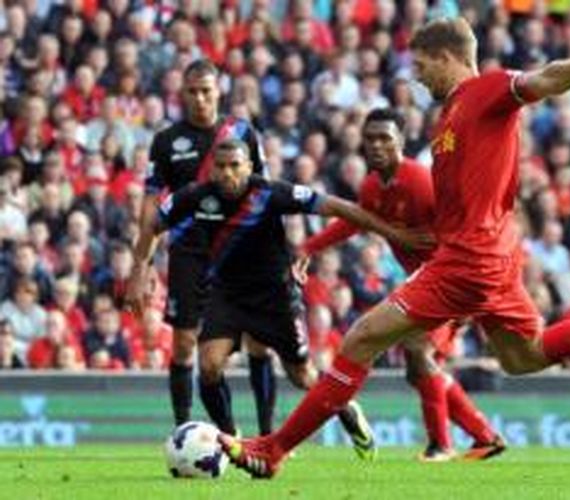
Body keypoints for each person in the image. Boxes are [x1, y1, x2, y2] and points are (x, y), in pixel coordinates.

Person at [219, 17, 570, 478]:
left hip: (470, 257)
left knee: (361, 339)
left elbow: (540, 81)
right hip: (489, 254)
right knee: (524, 357)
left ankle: (274, 449)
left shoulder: (486, 89)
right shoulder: (451, 113)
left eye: (422, 65)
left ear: (448, 56)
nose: (416, 75)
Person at [130, 138, 431, 460]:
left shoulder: (270, 193)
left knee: (303, 377)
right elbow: (152, 225)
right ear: (211, 170)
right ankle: (232, 440)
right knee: (208, 365)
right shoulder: (194, 197)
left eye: (235, 166)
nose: (228, 173)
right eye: (221, 166)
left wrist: (393, 234)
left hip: (275, 297)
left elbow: (338, 207)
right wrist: (138, 272)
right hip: (226, 295)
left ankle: (346, 409)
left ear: (248, 167)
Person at [298, 108, 502, 461]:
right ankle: (483, 436)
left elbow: (465, 223)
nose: (377, 146)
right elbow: (355, 222)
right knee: (416, 366)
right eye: (370, 139)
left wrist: (471, 286)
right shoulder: (373, 186)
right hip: (426, 283)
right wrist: (309, 248)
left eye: (385, 139)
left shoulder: (421, 181)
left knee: (418, 352)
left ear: (401, 143)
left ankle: (442, 445)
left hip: (453, 278)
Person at [126, 59, 271, 430]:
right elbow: (151, 207)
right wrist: (140, 268)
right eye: (192, 91)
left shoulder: (243, 133)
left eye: (206, 90)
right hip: (190, 251)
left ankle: (267, 434)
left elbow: (265, 195)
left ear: (218, 91)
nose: (200, 98)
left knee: (258, 340)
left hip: (241, 250)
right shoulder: (166, 141)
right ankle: (183, 431)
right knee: (183, 343)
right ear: (182, 94)